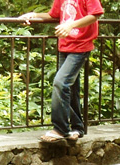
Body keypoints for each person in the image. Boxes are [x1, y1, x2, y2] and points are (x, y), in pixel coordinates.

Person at [19, 0, 103, 143]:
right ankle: (77, 128)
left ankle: (60, 128)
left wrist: (71, 25)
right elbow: (54, 15)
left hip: (81, 47)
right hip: (64, 46)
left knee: (61, 83)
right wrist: (33, 15)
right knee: (71, 87)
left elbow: (95, 14)